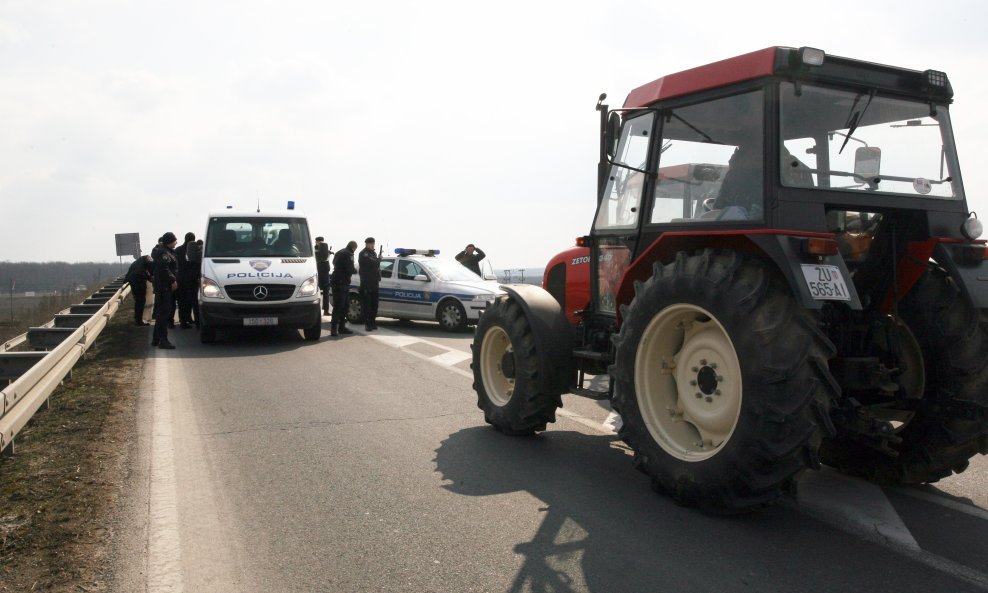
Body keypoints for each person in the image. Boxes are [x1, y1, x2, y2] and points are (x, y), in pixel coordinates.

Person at [152, 232, 179, 349]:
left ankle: (156, 339)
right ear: (170, 241)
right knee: (164, 314)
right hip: (164, 287)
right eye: (174, 240)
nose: (176, 242)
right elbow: (164, 268)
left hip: (164, 286)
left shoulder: (167, 252)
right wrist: (172, 279)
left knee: (161, 314)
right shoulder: (164, 253)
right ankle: (163, 340)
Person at [330, 241, 357, 336]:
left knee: (343, 305)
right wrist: (356, 270)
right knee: (341, 306)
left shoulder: (339, 252)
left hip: (336, 281)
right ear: (354, 247)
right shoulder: (349, 254)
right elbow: (350, 268)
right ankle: (336, 328)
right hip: (342, 282)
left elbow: (333, 263)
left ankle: (340, 327)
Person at [175, 232, 200, 329]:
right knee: (194, 301)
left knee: (182, 301)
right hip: (193, 279)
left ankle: (183, 322)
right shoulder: (196, 249)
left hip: (181, 278)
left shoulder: (177, 250)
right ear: (193, 239)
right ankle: (198, 323)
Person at [358, 237, 381, 331]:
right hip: (366, 283)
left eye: (373, 243)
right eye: (371, 244)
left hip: (374, 282)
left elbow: (376, 265)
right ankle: (367, 324)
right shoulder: (364, 253)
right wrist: (379, 259)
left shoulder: (373, 253)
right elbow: (372, 263)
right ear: (367, 244)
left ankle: (372, 322)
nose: (373, 245)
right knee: (367, 305)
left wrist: (378, 259)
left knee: (374, 305)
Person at [125, 255, 153, 326]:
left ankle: (137, 319)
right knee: (141, 301)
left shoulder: (137, 262)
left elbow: (131, 271)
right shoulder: (149, 261)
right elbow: (149, 271)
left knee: (138, 300)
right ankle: (139, 321)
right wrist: (152, 278)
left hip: (132, 280)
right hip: (138, 280)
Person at [315, 237, 332, 316]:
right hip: (317, 272)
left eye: (321, 242)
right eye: (319, 242)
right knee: (315, 293)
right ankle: (316, 311)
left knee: (326, 292)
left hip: (325, 272)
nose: (320, 244)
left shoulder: (325, 249)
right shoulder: (314, 250)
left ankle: (326, 310)